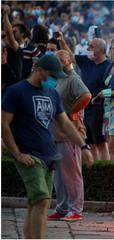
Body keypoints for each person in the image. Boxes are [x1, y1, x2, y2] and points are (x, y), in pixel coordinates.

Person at [1, 54, 93, 239]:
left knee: (37, 203)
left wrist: (84, 147)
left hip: (49, 155)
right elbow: (4, 124)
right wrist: (17, 154)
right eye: (52, 75)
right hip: (29, 156)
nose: (55, 79)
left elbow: (65, 123)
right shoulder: (16, 91)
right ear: (39, 70)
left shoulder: (52, 93)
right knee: (42, 199)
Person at [48, 50, 91, 222]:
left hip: (70, 134)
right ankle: (62, 207)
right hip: (58, 133)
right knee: (59, 176)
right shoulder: (59, 78)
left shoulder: (73, 78)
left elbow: (86, 95)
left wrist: (73, 111)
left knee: (72, 173)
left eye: (59, 60)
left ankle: (76, 209)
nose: (56, 63)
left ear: (67, 61)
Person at [58, 32, 112, 160]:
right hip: (84, 108)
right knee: (90, 143)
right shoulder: (87, 61)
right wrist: (61, 41)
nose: (88, 49)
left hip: (99, 108)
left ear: (101, 50)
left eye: (91, 47)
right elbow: (70, 57)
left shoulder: (109, 66)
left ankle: (105, 169)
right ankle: (94, 169)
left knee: (101, 143)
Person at [1, 4, 23, 94]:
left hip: (12, 91)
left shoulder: (16, 48)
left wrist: (5, 15)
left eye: (15, 32)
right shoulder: (3, 49)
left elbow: (8, 32)